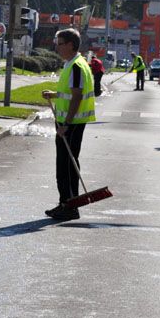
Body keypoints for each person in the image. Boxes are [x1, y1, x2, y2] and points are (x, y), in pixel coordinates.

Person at [41, 28, 96, 221]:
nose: (57, 46)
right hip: (69, 121)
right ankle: (66, 203)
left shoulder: (76, 66)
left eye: (60, 43)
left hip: (71, 122)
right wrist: (54, 95)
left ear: (71, 45)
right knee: (66, 163)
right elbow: (72, 92)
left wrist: (67, 123)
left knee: (66, 165)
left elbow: (77, 96)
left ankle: (69, 205)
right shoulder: (73, 64)